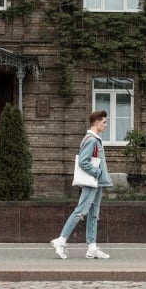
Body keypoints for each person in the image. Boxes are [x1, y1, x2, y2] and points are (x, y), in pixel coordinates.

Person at [51, 110, 113, 259]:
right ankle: (61, 240)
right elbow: (83, 161)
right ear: (96, 123)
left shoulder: (94, 139)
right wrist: (97, 172)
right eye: (104, 122)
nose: (106, 125)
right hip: (92, 182)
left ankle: (91, 247)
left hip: (97, 183)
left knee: (93, 214)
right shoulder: (91, 139)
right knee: (80, 211)